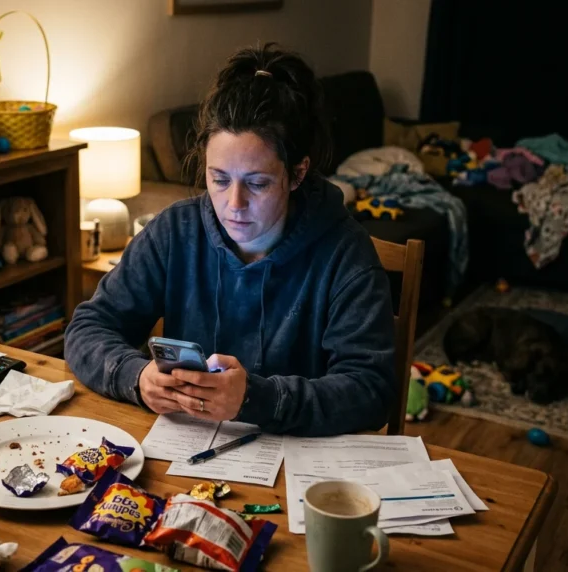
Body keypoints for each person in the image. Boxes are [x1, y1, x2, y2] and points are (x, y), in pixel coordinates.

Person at [65, 44, 396, 437]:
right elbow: (88, 328)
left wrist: (257, 399)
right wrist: (136, 377)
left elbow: (372, 390)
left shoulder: (345, 253)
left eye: (257, 183)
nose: (233, 204)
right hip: (187, 456)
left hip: (300, 469)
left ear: (298, 173)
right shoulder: (174, 234)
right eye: (219, 179)